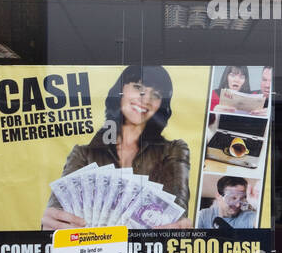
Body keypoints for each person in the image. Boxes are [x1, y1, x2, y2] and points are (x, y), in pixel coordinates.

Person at [40, 64, 192, 230]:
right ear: (120, 90)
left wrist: (179, 224)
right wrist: (50, 224)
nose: (145, 99)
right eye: (138, 87)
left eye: (155, 94)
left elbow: (178, 208)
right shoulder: (83, 154)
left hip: (144, 250)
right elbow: (58, 213)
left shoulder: (173, 150)